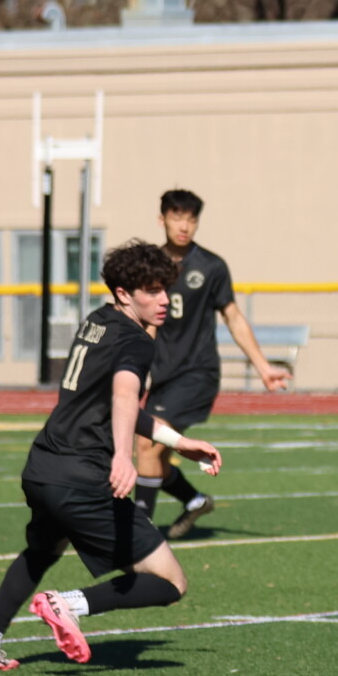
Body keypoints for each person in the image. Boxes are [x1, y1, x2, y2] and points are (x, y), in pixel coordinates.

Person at [0, 239, 224, 671]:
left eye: (167, 289)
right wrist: (124, 456)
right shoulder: (138, 343)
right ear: (124, 294)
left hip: (44, 467)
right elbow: (124, 395)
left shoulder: (96, 322)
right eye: (153, 291)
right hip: (83, 477)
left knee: (40, 552)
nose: (165, 301)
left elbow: (103, 401)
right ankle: (67, 603)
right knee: (171, 582)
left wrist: (178, 442)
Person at [136, 189, 290, 538]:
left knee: (145, 444)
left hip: (196, 373)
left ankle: (138, 532)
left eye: (191, 219)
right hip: (162, 375)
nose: (184, 226)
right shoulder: (149, 266)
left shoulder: (211, 266)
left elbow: (234, 317)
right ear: (162, 220)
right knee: (156, 458)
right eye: (177, 217)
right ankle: (193, 500)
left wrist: (264, 368)